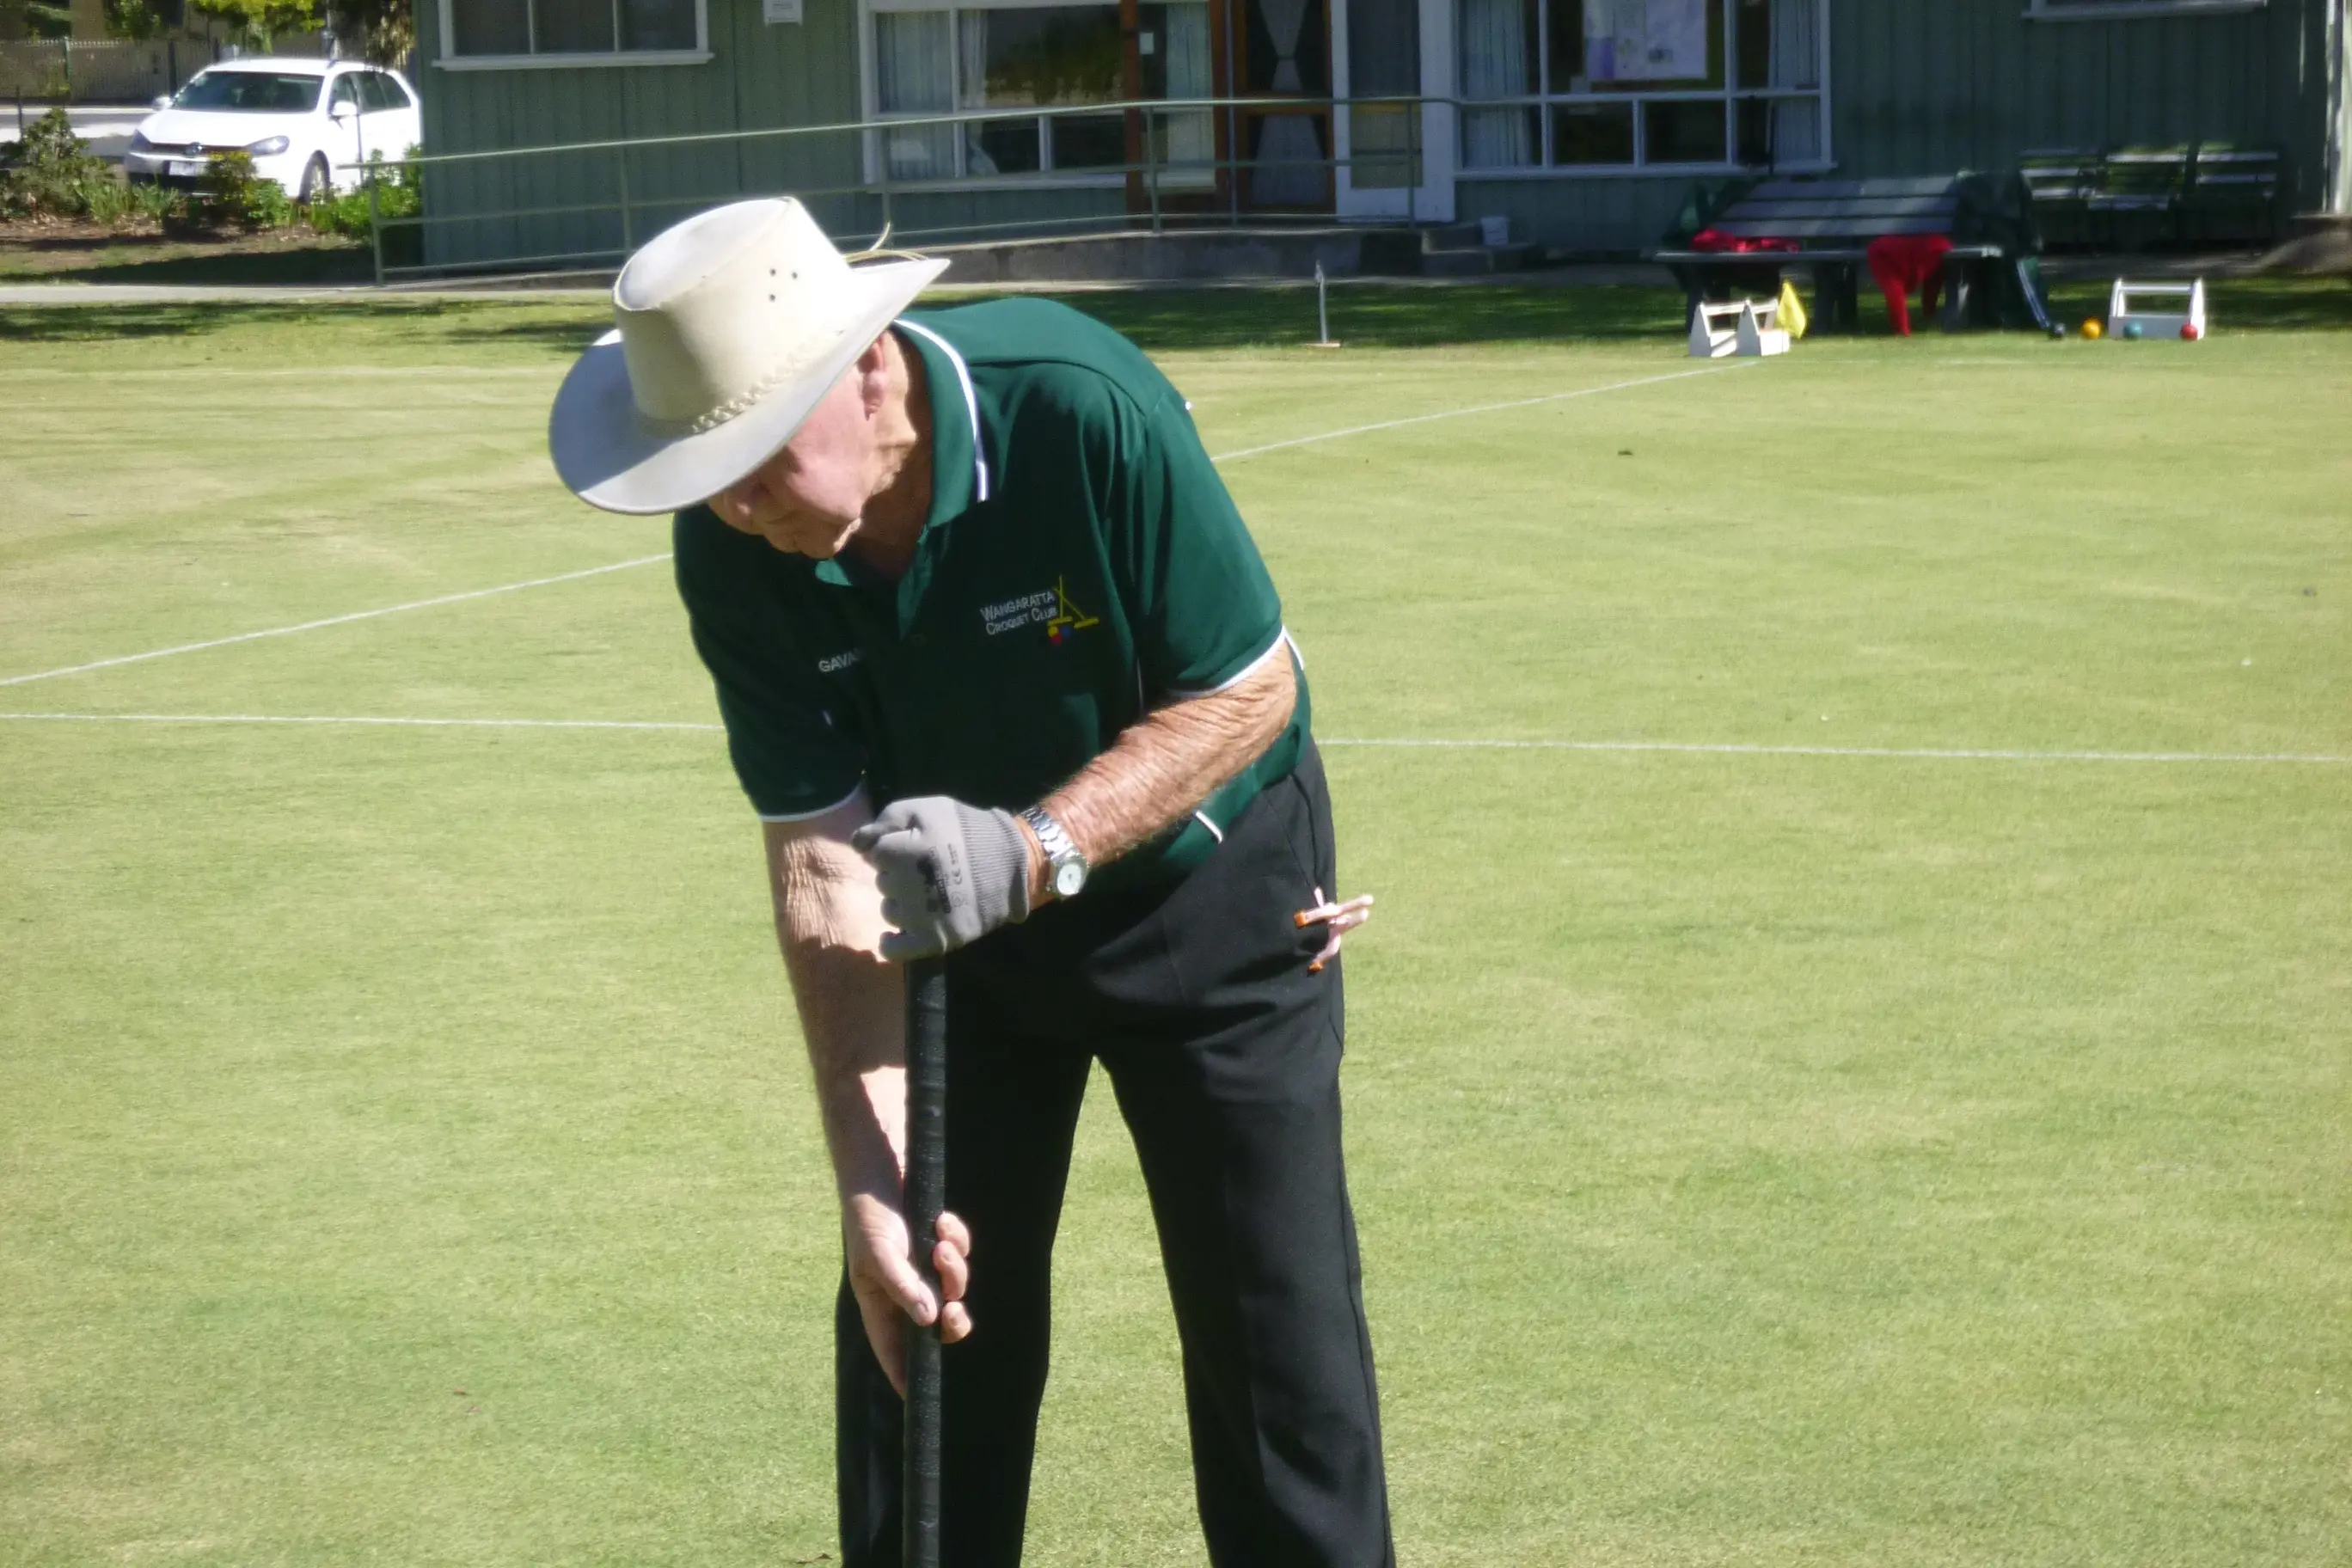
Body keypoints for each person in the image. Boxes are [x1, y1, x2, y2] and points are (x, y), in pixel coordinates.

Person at [547, 198, 1391, 1568]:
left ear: (870, 371)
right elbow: (821, 863)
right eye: (707, 478)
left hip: (1212, 894)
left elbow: (1248, 690)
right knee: (920, 1331)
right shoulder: (735, 543)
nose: (735, 507)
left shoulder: (1077, 403)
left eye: (755, 461)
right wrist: (867, 1183)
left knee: (1276, 1352)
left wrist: (1036, 847)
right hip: (952, 933)